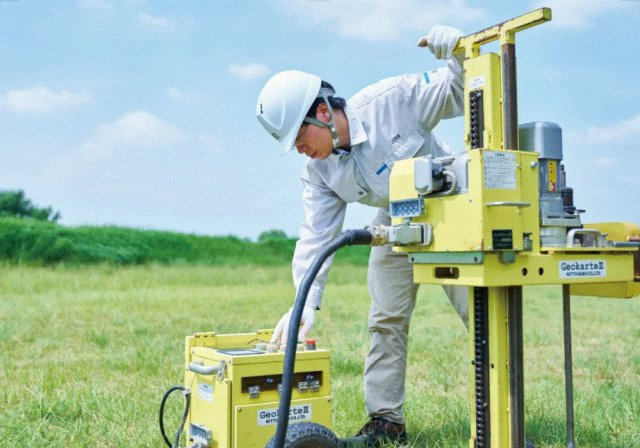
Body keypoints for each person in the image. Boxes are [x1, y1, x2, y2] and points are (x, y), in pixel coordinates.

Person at [256, 25, 469, 447]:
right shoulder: (318, 171)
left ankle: (503, 416)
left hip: (452, 206)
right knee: (385, 319)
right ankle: (386, 422)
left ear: (321, 112)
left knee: (481, 318)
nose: (299, 149)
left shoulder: (393, 101)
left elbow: (460, 92)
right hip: (397, 217)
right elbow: (316, 236)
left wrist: (459, 52)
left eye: (299, 137)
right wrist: (305, 304)